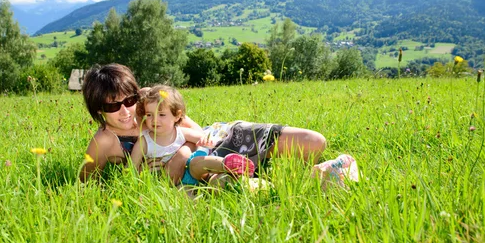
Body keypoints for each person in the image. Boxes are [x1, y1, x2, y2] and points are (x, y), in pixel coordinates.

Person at [80, 63, 331, 185]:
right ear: (99, 109)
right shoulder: (105, 141)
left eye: (130, 100)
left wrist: (181, 153)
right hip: (198, 170)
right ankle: (307, 178)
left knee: (314, 142)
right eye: (113, 106)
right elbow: (85, 184)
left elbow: (200, 133)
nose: (126, 111)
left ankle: (269, 169)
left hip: (214, 141)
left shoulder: (149, 101)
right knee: (239, 186)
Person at [129, 85, 255, 184]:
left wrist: (205, 143)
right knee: (193, 196)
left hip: (191, 170)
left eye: (161, 115)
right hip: (175, 183)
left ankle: (229, 165)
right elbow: (131, 169)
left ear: (177, 116)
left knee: (198, 162)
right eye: (149, 115)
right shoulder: (144, 142)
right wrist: (141, 172)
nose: (155, 120)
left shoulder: (180, 132)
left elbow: (202, 137)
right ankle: (238, 180)